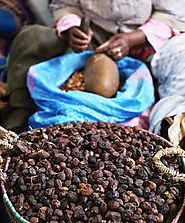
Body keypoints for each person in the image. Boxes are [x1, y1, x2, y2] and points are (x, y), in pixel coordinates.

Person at [1, 0, 185, 136]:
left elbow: (171, 15)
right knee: (32, 37)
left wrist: (131, 39)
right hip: (94, 37)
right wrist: (73, 29)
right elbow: (63, 4)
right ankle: (19, 114)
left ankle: (168, 126)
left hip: (146, 42)